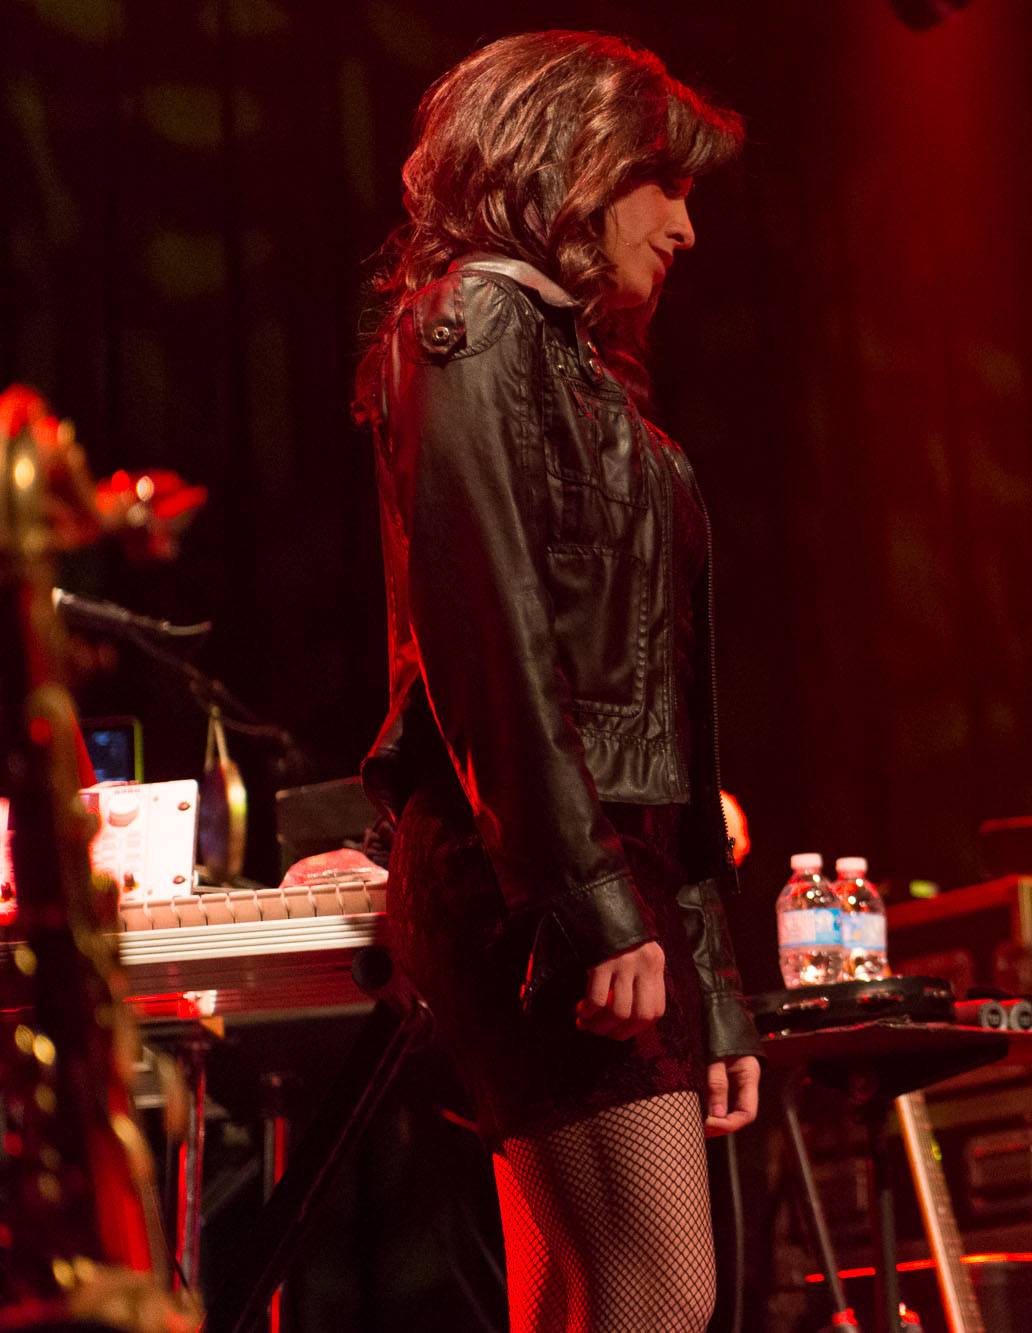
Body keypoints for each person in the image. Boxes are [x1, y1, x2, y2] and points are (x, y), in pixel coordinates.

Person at [354, 31, 758, 1332]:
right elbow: (493, 642)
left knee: (584, 1294)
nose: (685, 228)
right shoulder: (472, 325)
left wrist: (711, 972)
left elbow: (669, 717)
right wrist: (583, 898)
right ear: (575, 163)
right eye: (666, 184)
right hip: (530, 870)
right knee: (659, 1292)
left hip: (594, 870)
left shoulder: (579, 368)